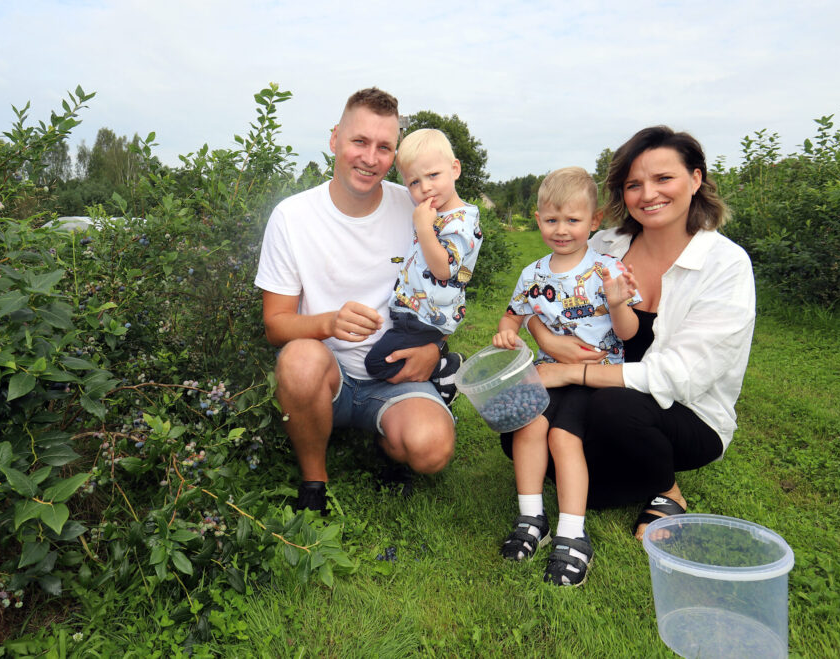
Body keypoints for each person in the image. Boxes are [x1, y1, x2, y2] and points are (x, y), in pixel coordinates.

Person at [505, 126, 755, 543]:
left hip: (683, 412)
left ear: (695, 179)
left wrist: (570, 373)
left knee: (614, 408)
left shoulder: (724, 265)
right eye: (634, 184)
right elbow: (542, 297)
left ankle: (665, 488)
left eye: (663, 179)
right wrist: (543, 337)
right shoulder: (607, 244)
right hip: (601, 393)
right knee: (521, 417)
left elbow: (676, 377)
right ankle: (598, 481)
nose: (648, 194)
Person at [254, 88, 456, 515]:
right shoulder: (292, 217)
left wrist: (433, 348)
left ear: (394, 154)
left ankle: (390, 437)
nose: (370, 158)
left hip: (396, 373)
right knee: (299, 362)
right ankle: (314, 481)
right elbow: (276, 325)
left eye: (384, 147)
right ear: (334, 140)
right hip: (329, 374)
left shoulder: (415, 207)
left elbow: (449, 283)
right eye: (359, 142)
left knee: (432, 451)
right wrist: (327, 323)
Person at [493, 166, 641, 586]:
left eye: (573, 221)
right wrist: (508, 330)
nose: (562, 230)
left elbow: (629, 332)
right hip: (550, 374)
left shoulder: (608, 270)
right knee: (529, 426)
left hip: (597, 377)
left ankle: (573, 534)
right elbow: (514, 314)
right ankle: (531, 517)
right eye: (552, 220)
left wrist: (617, 304)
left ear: (593, 223)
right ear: (538, 220)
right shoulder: (533, 274)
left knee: (562, 437)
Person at [363, 128, 482, 405]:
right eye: (414, 182)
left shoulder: (460, 221)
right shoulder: (438, 214)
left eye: (433, 176)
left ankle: (443, 369)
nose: (425, 187)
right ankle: (437, 371)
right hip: (417, 312)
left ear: (454, 169)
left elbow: (444, 269)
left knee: (377, 364)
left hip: (427, 317)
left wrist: (423, 227)